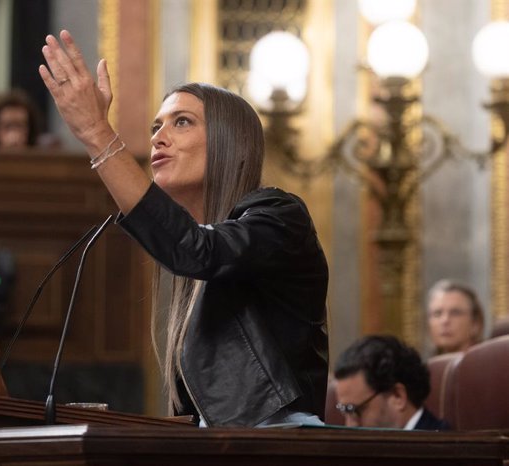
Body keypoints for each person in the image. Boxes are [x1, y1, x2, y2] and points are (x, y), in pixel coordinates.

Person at [38, 30, 329, 427]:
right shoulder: (195, 248)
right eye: (157, 126)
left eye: (182, 122)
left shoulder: (279, 215)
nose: (159, 138)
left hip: (279, 447)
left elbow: (197, 251)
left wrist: (96, 134)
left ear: (230, 142)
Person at [333, 335, 450, 430]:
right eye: (345, 410)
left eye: (355, 410)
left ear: (398, 396)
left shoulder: (442, 451)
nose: (350, 425)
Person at [426, 279, 484, 355]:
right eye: (437, 313)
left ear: (475, 323)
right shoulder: (425, 365)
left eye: (455, 313)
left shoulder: (488, 363)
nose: (445, 320)